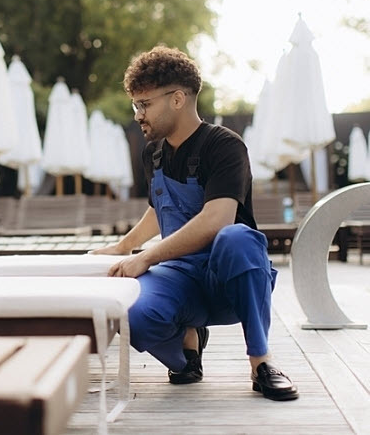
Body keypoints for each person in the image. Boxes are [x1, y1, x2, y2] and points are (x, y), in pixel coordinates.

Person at [90, 46, 298, 401]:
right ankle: (187, 349)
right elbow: (160, 209)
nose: (138, 114)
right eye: (135, 105)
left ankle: (261, 363)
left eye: (145, 104)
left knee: (238, 238)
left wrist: (147, 256)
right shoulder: (152, 152)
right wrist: (124, 247)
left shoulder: (224, 147)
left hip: (229, 279)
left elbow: (216, 220)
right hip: (179, 277)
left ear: (177, 99)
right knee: (130, 314)